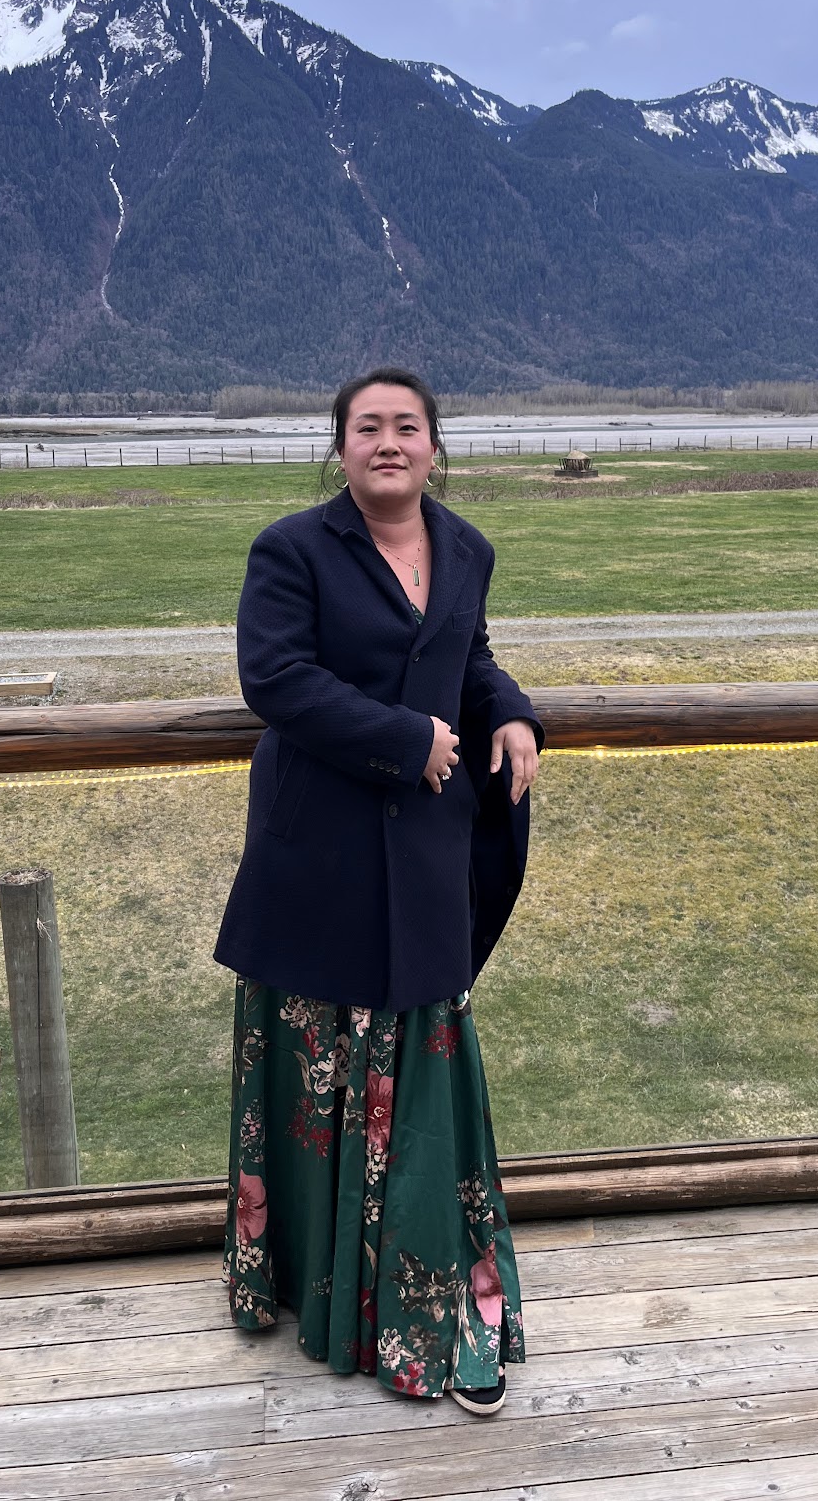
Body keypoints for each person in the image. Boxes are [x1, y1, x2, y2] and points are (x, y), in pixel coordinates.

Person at [214, 367, 542, 1416]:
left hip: (424, 860)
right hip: (319, 860)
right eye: (368, 427)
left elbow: (468, 657)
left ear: (434, 447)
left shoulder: (467, 548)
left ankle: (439, 1309)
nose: (388, 442)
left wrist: (510, 711)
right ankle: (316, 1290)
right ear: (341, 448)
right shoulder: (290, 550)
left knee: (427, 1085)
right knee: (317, 1082)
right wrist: (407, 740)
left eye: (407, 426)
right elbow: (275, 678)